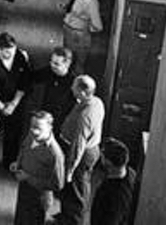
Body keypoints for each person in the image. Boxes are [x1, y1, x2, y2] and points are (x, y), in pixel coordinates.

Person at [57, 75, 106, 225]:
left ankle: (74, 221)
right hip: (87, 150)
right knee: (71, 188)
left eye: (75, 87)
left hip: (81, 154)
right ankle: (65, 216)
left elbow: (78, 144)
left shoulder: (85, 115)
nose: (72, 88)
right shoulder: (96, 101)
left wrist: (71, 168)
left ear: (83, 92)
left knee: (76, 189)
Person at [0, 32, 31, 178]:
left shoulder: (20, 57)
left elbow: (24, 82)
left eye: (10, 52)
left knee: (14, 135)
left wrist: (13, 104)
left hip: (15, 103)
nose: (8, 55)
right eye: (4, 52)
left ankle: (9, 163)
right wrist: (1, 106)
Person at [11, 111, 65, 225]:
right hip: (24, 189)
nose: (33, 131)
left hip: (39, 198)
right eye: (32, 126)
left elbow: (58, 184)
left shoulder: (55, 154)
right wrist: (18, 162)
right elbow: (24, 148)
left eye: (38, 128)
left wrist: (28, 177)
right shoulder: (31, 135)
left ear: (50, 127)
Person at [61, 0, 103, 73]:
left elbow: (98, 25)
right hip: (69, 30)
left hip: (78, 35)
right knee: (67, 60)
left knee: (77, 65)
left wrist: (83, 27)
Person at [27, 47, 77, 127]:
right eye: (51, 61)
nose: (52, 65)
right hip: (44, 118)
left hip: (61, 122)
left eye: (56, 64)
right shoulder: (48, 71)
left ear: (67, 64)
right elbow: (30, 77)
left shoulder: (73, 82)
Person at [90, 138, 136, 225]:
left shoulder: (114, 194)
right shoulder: (131, 173)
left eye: (102, 155)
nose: (100, 156)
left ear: (108, 163)